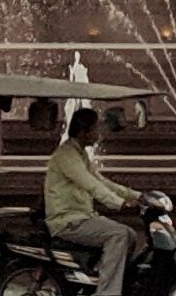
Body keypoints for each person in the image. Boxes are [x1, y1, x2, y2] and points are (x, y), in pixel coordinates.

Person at [43, 107, 145, 296]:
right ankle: (106, 293)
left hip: (82, 217)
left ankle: (100, 277)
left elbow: (101, 180)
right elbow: (91, 185)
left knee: (130, 235)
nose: (98, 133)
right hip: (68, 221)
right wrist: (120, 204)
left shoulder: (79, 153)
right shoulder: (67, 156)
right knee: (119, 235)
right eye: (95, 129)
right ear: (84, 132)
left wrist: (136, 196)